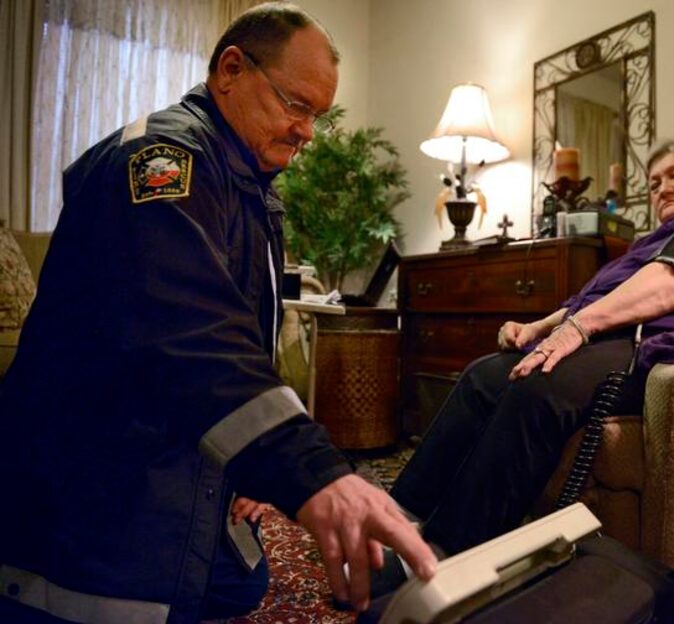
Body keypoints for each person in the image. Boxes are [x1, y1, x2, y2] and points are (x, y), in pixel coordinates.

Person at [0, 3, 435, 623]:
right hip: (93, 477)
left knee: (240, 583)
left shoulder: (245, 185)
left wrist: (249, 460)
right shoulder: (160, 162)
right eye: (296, 104)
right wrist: (311, 474)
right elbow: (189, 333)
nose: (307, 132)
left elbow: (243, 343)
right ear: (231, 69)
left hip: (164, 443)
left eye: (319, 116)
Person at [374, 139, 674, 591]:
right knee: (483, 375)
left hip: (667, 345)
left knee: (542, 383)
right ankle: (395, 525)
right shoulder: (649, 243)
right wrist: (537, 328)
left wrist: (576, 330)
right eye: (653, 183)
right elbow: (590, 300)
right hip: (611, 337)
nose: (663, 188)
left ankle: (442, 558)